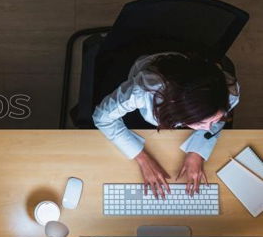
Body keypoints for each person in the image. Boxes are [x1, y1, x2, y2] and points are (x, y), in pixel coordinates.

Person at [93, 52, 239, 198]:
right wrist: (142, 158)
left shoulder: (229, 92)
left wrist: (197, 152)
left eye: (212, 121)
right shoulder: (143, 92)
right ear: (177, 110)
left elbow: (218, 120)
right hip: (149, 64)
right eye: (200, 122)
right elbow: (102, 117)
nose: (208, 129)